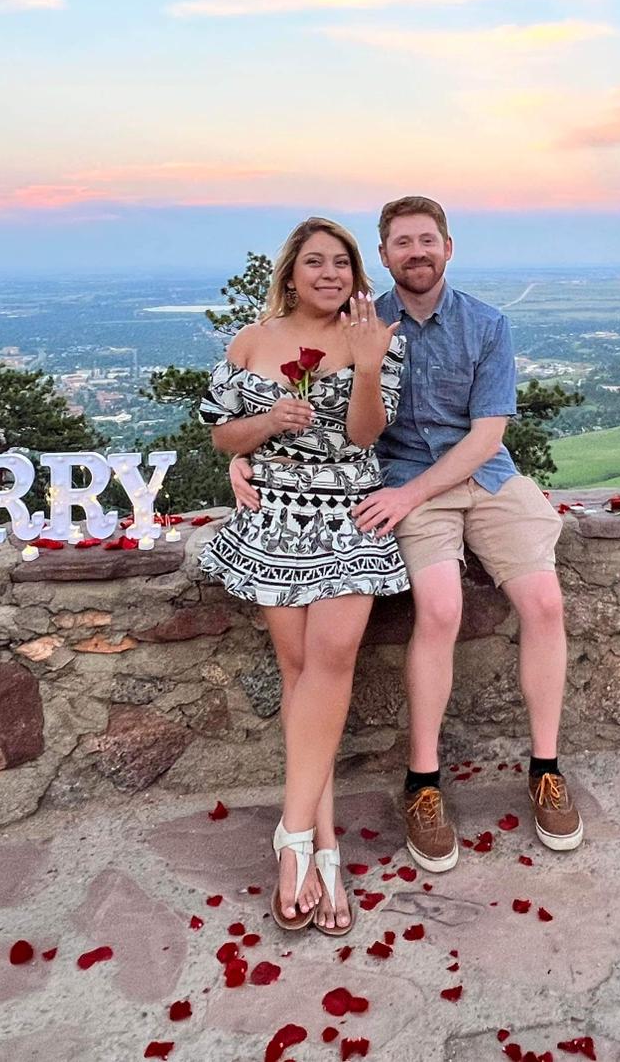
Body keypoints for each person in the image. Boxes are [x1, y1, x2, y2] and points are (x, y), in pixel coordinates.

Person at [230, 195, 583, 878]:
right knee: (442, 608)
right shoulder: (360, 324)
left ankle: (546, 768)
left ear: (449, 248)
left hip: (477, 478)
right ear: (384, 256)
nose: (416, 252)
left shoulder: (487, 323)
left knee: (545, 604)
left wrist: (416, 492)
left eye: (428, 240)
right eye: (401, 243)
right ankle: (423, 782)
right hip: (399, 480)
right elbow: (298, 405)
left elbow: (487, 436)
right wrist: (244, 455)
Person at [199, 216, 407, 937]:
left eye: (341, 264)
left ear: (355, 274)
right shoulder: (252, 342)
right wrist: (268, 425)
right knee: (296, 671)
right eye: (315, 262)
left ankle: (291, 836)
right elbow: (223, 433)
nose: (329, 274)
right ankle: (324, 849)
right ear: (290, 272)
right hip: (276, 517)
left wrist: (370, 364)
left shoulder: (374, 333)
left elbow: (365, 435)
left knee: (331, 660)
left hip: (348, 516)